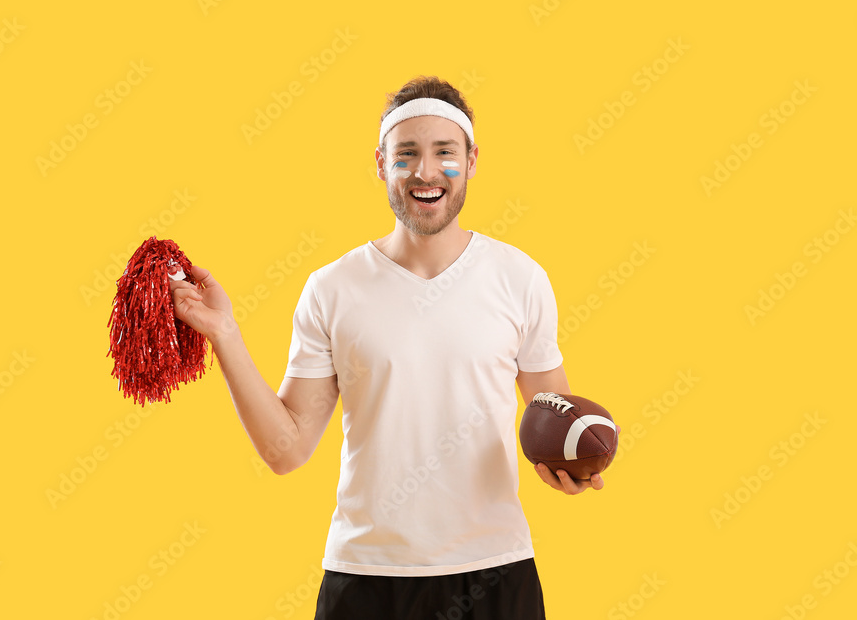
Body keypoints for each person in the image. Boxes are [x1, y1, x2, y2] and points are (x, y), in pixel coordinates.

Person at [169, 75, 605, 619]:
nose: (425, 171)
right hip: (365, 581)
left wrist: (572, 466)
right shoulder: (332, 288)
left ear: (471, 161)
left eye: (444, 152)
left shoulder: (520, 278)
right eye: (407, 154)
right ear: (380, 164)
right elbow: (287, 450)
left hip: (495, 572)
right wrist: (224, 335)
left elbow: (553, 417)